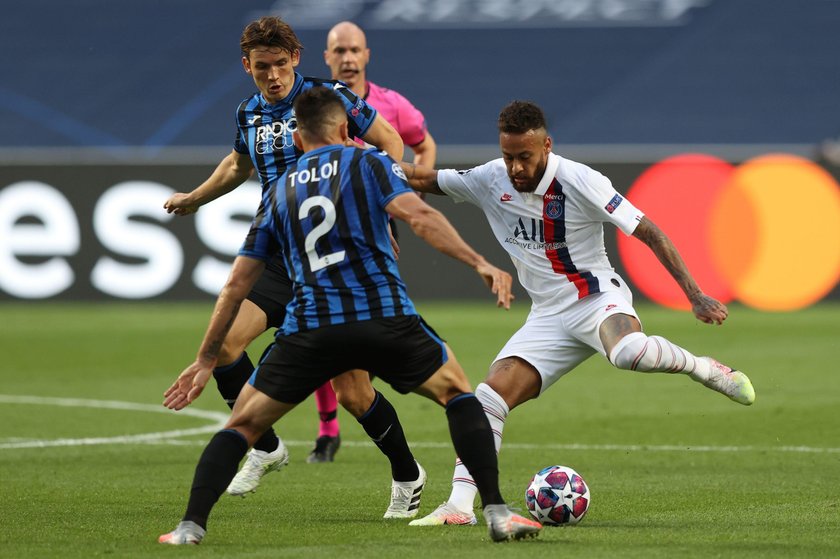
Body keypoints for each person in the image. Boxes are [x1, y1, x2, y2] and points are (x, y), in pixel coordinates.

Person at [157, 87, 541, 545]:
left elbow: (236, 285)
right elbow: (418, 216)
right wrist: (478, 262)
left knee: (241, 426)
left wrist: (204, 360)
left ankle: (189, 527)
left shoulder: (278, 191)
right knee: (457, 394)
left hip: (311, 328)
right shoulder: (371, 163)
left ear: (298, 139)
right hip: (384, 317)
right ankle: (497, 512)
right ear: (345, 130)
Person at [399, 100, 757, 526]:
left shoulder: (580, 180)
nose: (515, 167)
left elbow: (649, 231)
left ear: (546, 146)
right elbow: (423, 177)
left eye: (524, 157)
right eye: (508, 156)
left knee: (628, 354)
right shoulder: (489, 178)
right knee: (487, 399)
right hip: (548, 317)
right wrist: (362, 160)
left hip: (596, 299)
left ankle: (704, 368)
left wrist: (694, 294)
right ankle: (459, 508)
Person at [162, 16, 423, 513]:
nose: (274, 76)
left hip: (332, 258)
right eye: (263, 68)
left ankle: (408, 474)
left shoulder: (327, 99)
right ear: (247, 66)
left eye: (281, 65)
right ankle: (266, 447)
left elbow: (391, 141)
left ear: (296, 59)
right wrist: (196, 198)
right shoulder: (249, 114)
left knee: (353, 391)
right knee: (225, 349)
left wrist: (382, 203)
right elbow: (239, 164)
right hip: (280, 256)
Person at [300, 20, 439, 464]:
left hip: (374, 222)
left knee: (367, 315)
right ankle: (328, 428)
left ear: (366, 55)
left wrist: (407, 190)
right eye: (338, 50)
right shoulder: (315, 104)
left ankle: (414, 376)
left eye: (353, 49)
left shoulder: (390, 106)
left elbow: (424, 144)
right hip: (324, 226)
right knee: (318, 318)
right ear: (326, 58)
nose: (346, 57)